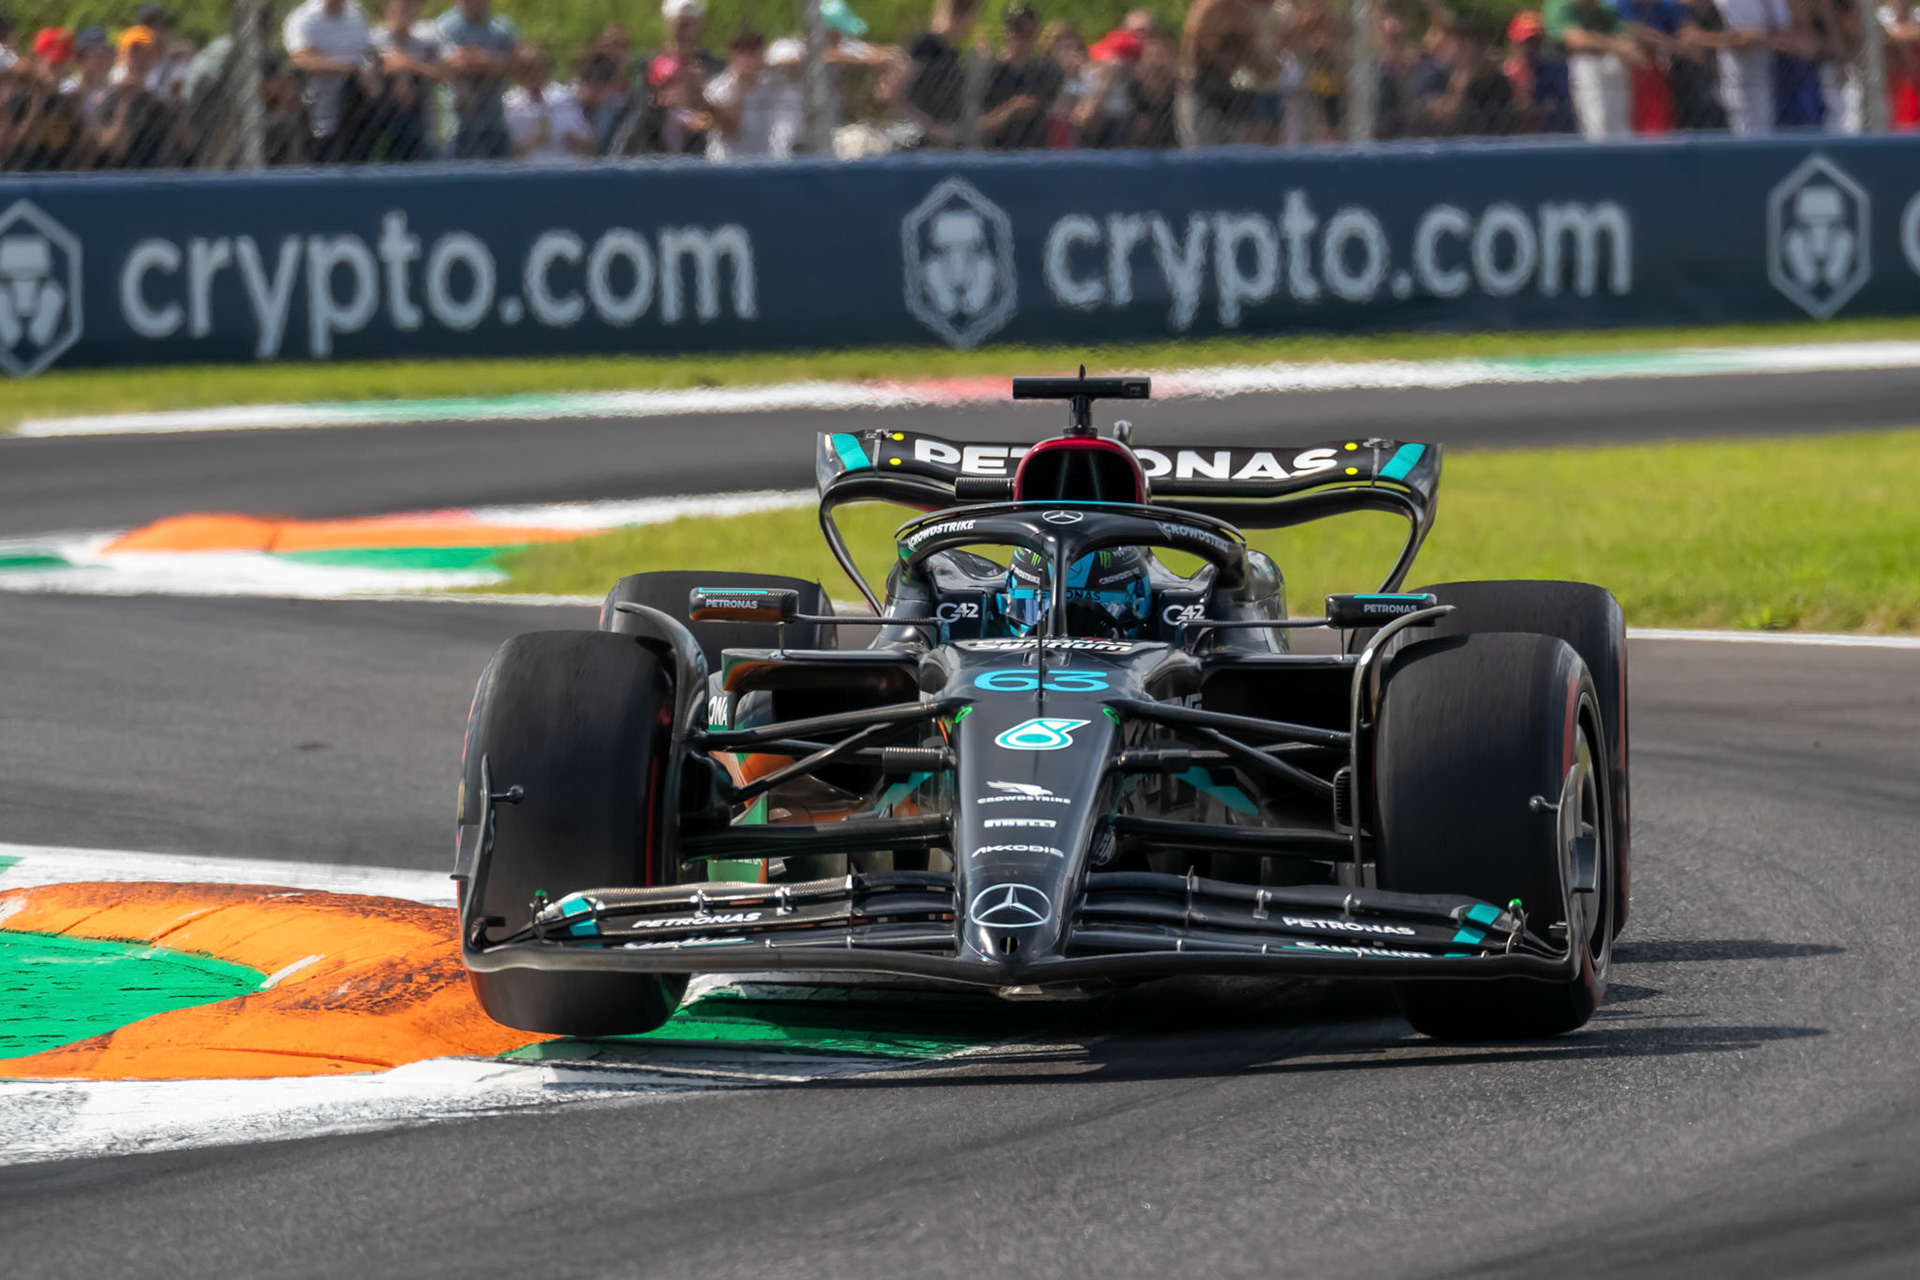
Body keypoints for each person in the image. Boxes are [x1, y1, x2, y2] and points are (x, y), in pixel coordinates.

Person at [1180, 0, 1280, 146]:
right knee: (1200, 151)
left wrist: (1281, 52)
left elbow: (1262, 69)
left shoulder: (1245, 14)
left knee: (1234, 150)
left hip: (1228, 92)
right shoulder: (1210, 7)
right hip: (1198, 90)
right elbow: (1195, 52)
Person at [284, 0, 375, 161]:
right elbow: (301, 59)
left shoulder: (356, 15)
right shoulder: (304, 18)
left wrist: (325, 58)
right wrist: (348, 68)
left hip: (355, 101)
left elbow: (369, 53)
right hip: (315, 102)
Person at [889, 0, 979, 148]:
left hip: (939, 144)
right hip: (916, 142)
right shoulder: (927, 45)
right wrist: (932, 129)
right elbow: (891, 93)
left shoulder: (950, 52)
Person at [703, 28, 803, 159]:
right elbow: (732, 128)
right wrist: (740, 86)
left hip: (763, 162)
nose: (748, 56)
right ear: (732, 55)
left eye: (754, 50)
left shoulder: (771, 83)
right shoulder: (717, 87)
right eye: (741, 51)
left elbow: (797, 69)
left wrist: (769, 65)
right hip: (727, 163)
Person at [1546, 0, 1639, 137]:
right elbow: (1576, 40)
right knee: (1596, 127)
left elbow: (1629, 44)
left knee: (1615, 64)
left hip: (1603, 77)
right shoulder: (1560, 5)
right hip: (1558, 81)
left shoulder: (1603, 9)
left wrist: (1603, 45)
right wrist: (1614, 46)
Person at [435, 0, 516, 158]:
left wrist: (475, 59)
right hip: (457, 119)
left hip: (495, 116)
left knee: (500, 170)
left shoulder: (502, 28)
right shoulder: (445, 26)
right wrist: (490, 62)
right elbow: (447, 63)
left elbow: (513, 63)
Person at [95, 25, 185, 166]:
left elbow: (184, 144)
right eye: (134, 51)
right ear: (121, 55)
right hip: (118, 176)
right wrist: (125, 102)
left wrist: (176, 101)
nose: (141, 58)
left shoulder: (156, 100)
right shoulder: (111, 95)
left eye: (148, 53)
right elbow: (116, 149)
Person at [367, 0, 442, 160]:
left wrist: (407, 68)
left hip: (416, 115)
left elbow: (439, 73)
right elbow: (384, 63)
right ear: (388, 10)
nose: (404, 14)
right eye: (400, 8)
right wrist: (405, 72)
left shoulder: (424, 42)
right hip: (381, 112)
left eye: (410, 9)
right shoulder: (375, 39)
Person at [981, 5, 1061, 148]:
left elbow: (1060, 111)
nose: (1018, 36)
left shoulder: (1047, 70)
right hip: (996, 152)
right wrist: (1009, 111)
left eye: (1026, 31)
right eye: (1015, 29)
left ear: (1035, 32)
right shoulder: (991, 71)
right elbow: (975, 124)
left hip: (1037, 151)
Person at [503, 44, 593, 161]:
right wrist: (535, 140)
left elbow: (589, 145)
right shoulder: (509, 103)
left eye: (539, 68)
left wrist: (569, 139)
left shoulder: (564, 98)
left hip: (567, 168)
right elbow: (507, 153)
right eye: (527, 69)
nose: (535, 74)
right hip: (527, 172)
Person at [1715, 0, 1786, 133]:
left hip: (1775, 69)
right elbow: (1735, 36)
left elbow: (1787, 27)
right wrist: (1761, 39)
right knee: (1746, 126)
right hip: (1741, 72)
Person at [1505, 11, 1577, 132]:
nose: (1530, 48)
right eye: (1525, 42)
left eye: (1535, 42)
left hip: (1553, 134)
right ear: (1513, 43)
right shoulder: (1505, 73)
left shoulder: (1554, 71)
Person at [1670, 0, 1732, 126]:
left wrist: (1701, 39)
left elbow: (1729, 39)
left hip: (1712, 83)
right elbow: (1687, 40)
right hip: (1682, 85)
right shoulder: (1675, 8)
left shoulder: (1713, 9)